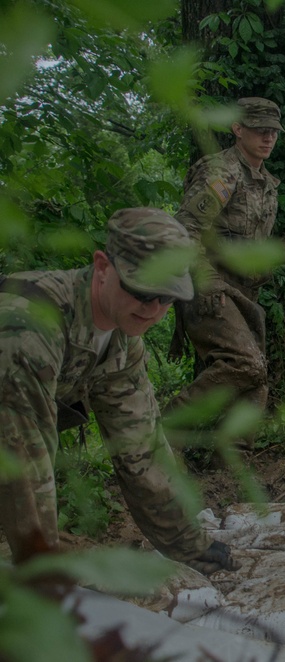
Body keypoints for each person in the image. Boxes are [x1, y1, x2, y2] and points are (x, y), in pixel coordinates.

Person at [0, 207, 236, 575]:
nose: (153, 310)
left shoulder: (122, 341)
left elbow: (141, 450)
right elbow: (24, 462)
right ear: (102, 266)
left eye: (167, 298)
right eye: (143, 291)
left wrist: (189, 547)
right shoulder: (29, 327)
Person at [168, 96, 282, 451]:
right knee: (246, 364)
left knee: (255, 379)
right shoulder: (221, 173)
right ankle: (161, 430)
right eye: (259, 130)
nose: (268, 138)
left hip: (245, 294)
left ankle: (231, 466)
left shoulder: (266, 182)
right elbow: (185, 230)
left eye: (273, 132)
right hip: (210, 288)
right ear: (237, 129)